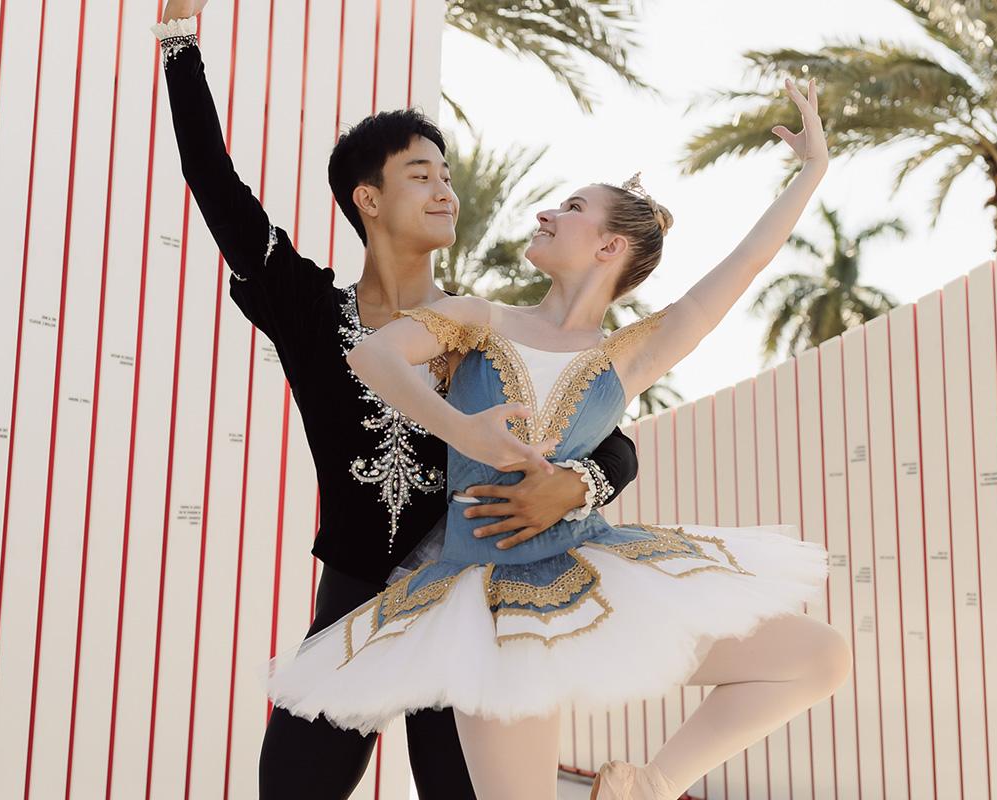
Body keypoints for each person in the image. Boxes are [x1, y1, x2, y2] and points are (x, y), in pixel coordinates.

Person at [261, 78, 852, 800]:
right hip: (487, 611)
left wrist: (813, 172)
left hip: (593, 577)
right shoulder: (479, 319)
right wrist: (463, 427)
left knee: (818, 657)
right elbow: (373, 357)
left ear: (609, 245)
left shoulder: (630, 355)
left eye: (571, 207)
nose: (548, 211)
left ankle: (649, 786)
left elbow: (746, 266)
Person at [150, 4, 642, 798]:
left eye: (447, 176)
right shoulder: (310, 312)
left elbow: (612, 436)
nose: (445, 190)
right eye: (422, 174)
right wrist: (178, 41)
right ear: (368, 198)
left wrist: (577, 485)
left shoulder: (489, 329)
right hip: (353, 607)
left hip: (464, 614)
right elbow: (213, 179)